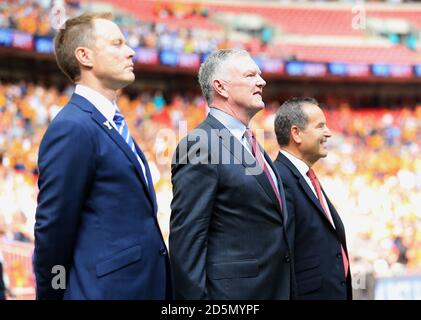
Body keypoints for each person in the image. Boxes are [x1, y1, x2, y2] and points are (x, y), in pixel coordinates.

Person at [33, 13, 172, 300]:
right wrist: (53, 295)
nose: (130, 51)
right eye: (117, 43)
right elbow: (54, 230)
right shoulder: (73, 127)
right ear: (85, 56)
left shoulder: (110, 121)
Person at [170, 49, 292, 299]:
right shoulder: (201, 144)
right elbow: (188, 241)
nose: (262, 81)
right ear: (221, 87)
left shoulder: (251, 143)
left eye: (259, 74)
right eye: (250, 75)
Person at [273, 97, 352, 299]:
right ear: (296, 133)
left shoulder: (306, 177)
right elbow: (280, 258)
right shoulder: (279, 180)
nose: (329, 132)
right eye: (320, 126)